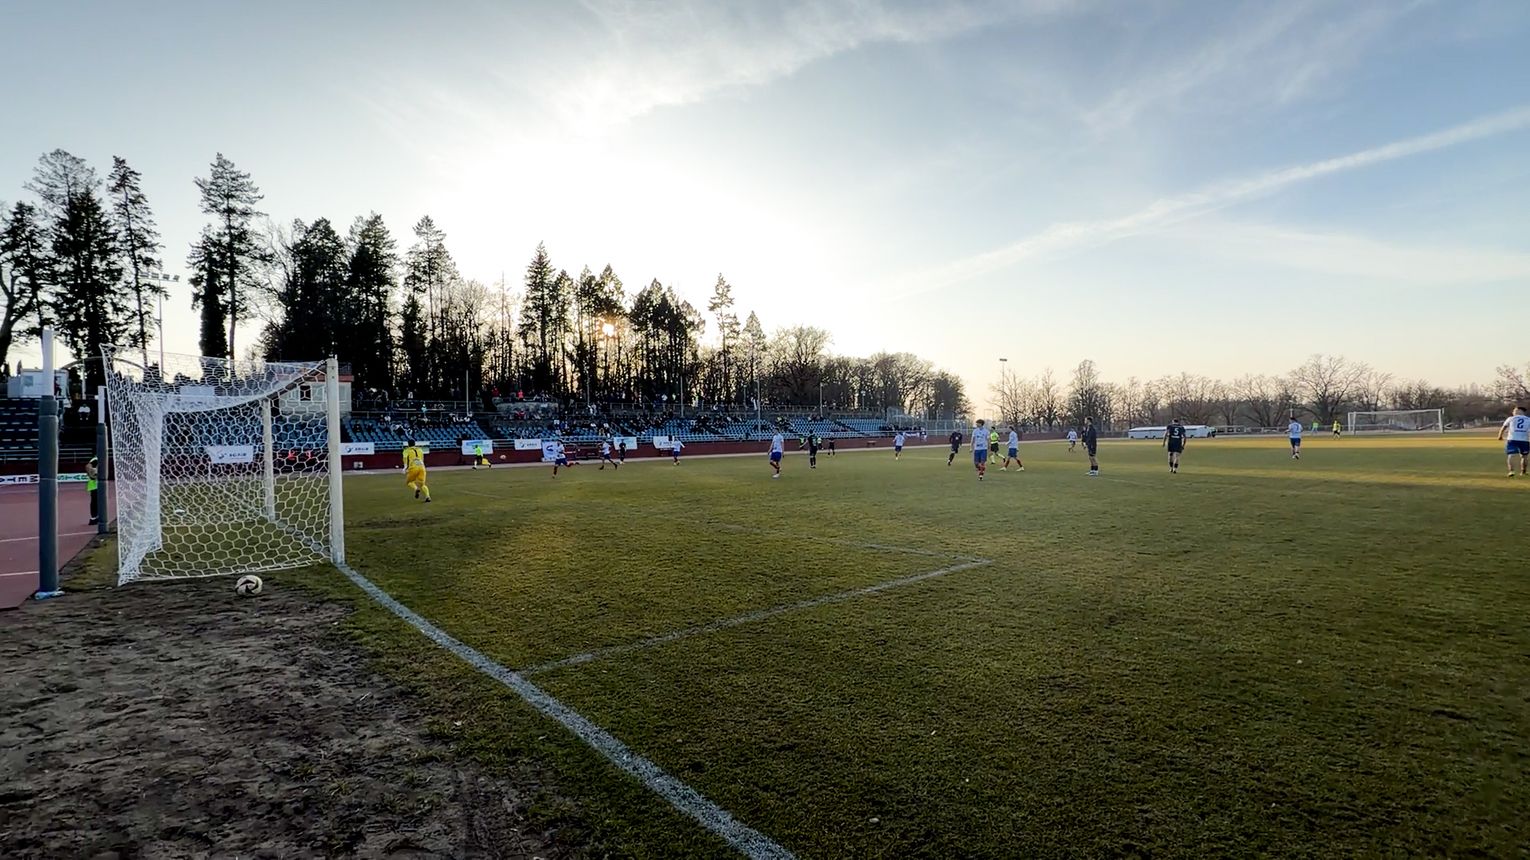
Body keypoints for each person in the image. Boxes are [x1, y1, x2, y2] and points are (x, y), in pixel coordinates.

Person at [1499, 405, 1529, 477]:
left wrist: (1500, 435)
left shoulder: (1511, 418)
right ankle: (1523, 472)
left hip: (1512, 439)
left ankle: (1511, 471)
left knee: (1511, 455)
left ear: (1519, 411)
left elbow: (1504, 427)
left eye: (1514, 410)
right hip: (1524, 440)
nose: (1513, 412)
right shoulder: (1528, 419)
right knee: (1524, 456)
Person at [86, 456, 99, 524]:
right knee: (95, 501)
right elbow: (88, 466)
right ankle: (93, 517)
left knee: (97, 501)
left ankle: (96, 517)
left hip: (96, 484)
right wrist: (92, 475)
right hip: (94, 484)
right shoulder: (95, 459)